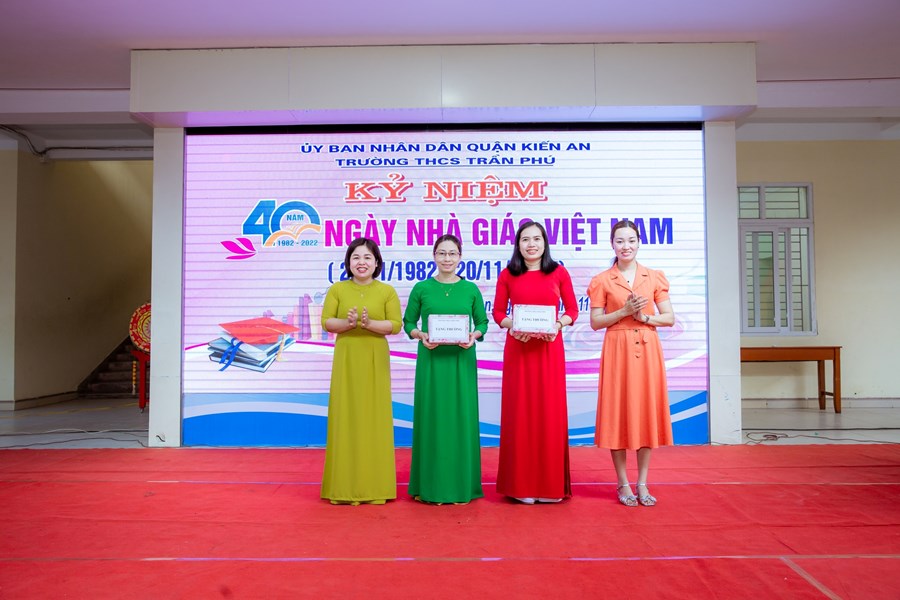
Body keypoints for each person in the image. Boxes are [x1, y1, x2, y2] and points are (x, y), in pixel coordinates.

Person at [587, 220, 675, 507]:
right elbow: (596, 322)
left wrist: (644, 317)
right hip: (617, 349)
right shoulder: (602, 280)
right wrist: (623, 312)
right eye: (620, 241)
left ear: (639, 243)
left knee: (646, 413)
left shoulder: (654, 277)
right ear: (612, 245)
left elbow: (669, 317)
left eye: (631, 240)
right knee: (618, 413)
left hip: (647, 348)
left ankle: (643, 482)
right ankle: (623, 482)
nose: (626, 246)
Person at [492, 220, 578, 504]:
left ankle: (550, 486)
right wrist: (512, 326)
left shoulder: (559, 272)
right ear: (518, 245)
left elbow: (572, 310)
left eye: (537, 239)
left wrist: (558, 324)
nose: (531, 244)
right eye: (525, 239)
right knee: (520, 414)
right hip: (519, 350)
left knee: (549, 413)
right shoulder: (507, 274)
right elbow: (498, 312)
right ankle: (521, 486)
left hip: (549, 350)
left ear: (545, 243)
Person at [403, 235, 489, 505]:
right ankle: (430, 487)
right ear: (434, 256)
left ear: (460, 257)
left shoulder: (471, 289)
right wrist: (419, 334)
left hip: (462, 362)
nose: (447, 259)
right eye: (442, 253)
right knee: (432, 419)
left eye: (452, 253)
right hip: (431, 363)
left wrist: (474, 335)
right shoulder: (422, 288)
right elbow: (408, 323)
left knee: (461, 420)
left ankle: (461, 486)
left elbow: (483, 323)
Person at [321, 238, 402, 505]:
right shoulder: (338, 289)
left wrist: (369, 324)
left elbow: (395, 325)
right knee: (346, 416)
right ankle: (343, 488)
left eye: (367, 257)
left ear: (377, 262)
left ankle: (376, 488)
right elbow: (326, 322)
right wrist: (348, 323)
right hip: (347, 357)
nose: (362, 263)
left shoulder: (387, 291)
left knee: (374, 417)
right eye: (356, 257)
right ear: (348, 262)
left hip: (375, 357)